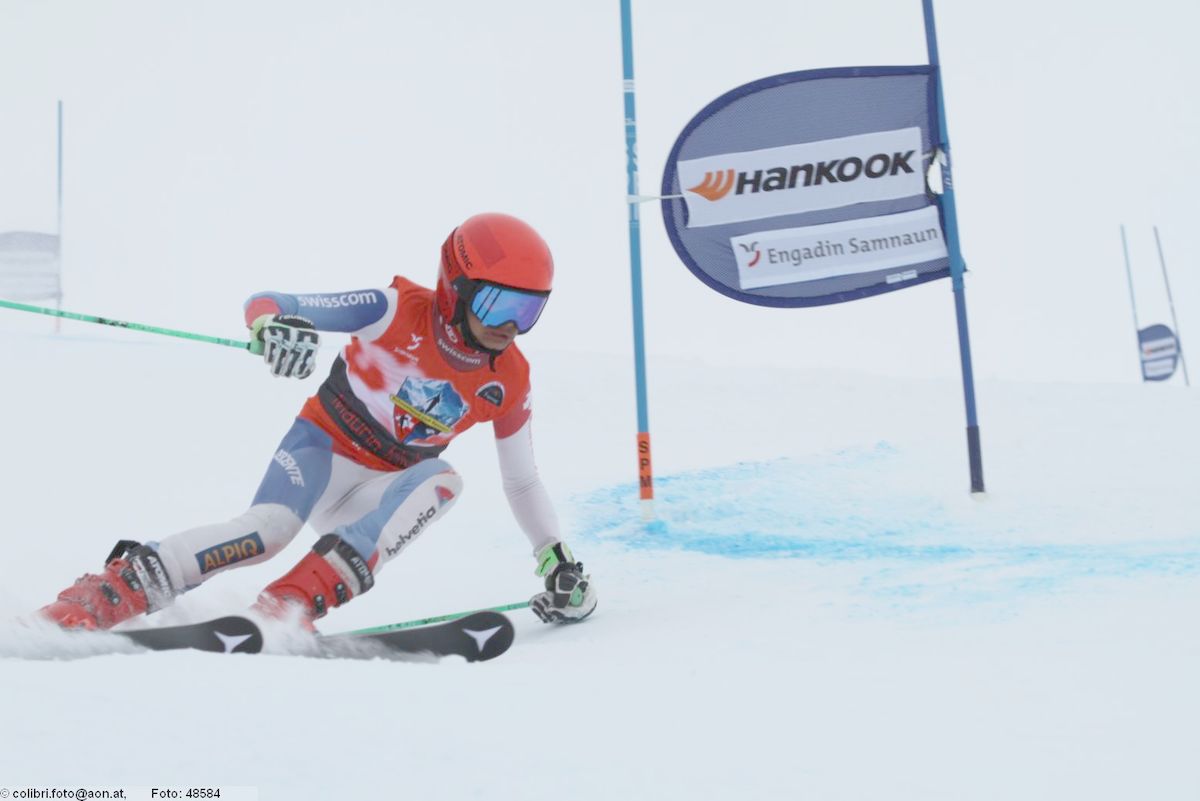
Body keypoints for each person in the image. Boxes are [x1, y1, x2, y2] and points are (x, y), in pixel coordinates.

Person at [39, 213, 597, 631]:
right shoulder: (394, 310)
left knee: (444, 481)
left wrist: (553, 554)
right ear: (458, 288)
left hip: (379, 494)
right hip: (322, 451)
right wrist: (271, 327)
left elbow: (521, 480)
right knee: (266, 534)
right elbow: (269, 301)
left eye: (529, 310)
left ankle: (287, 607)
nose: (510, 326)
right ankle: (112, 592)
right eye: (499, 304)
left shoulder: (510, 379)